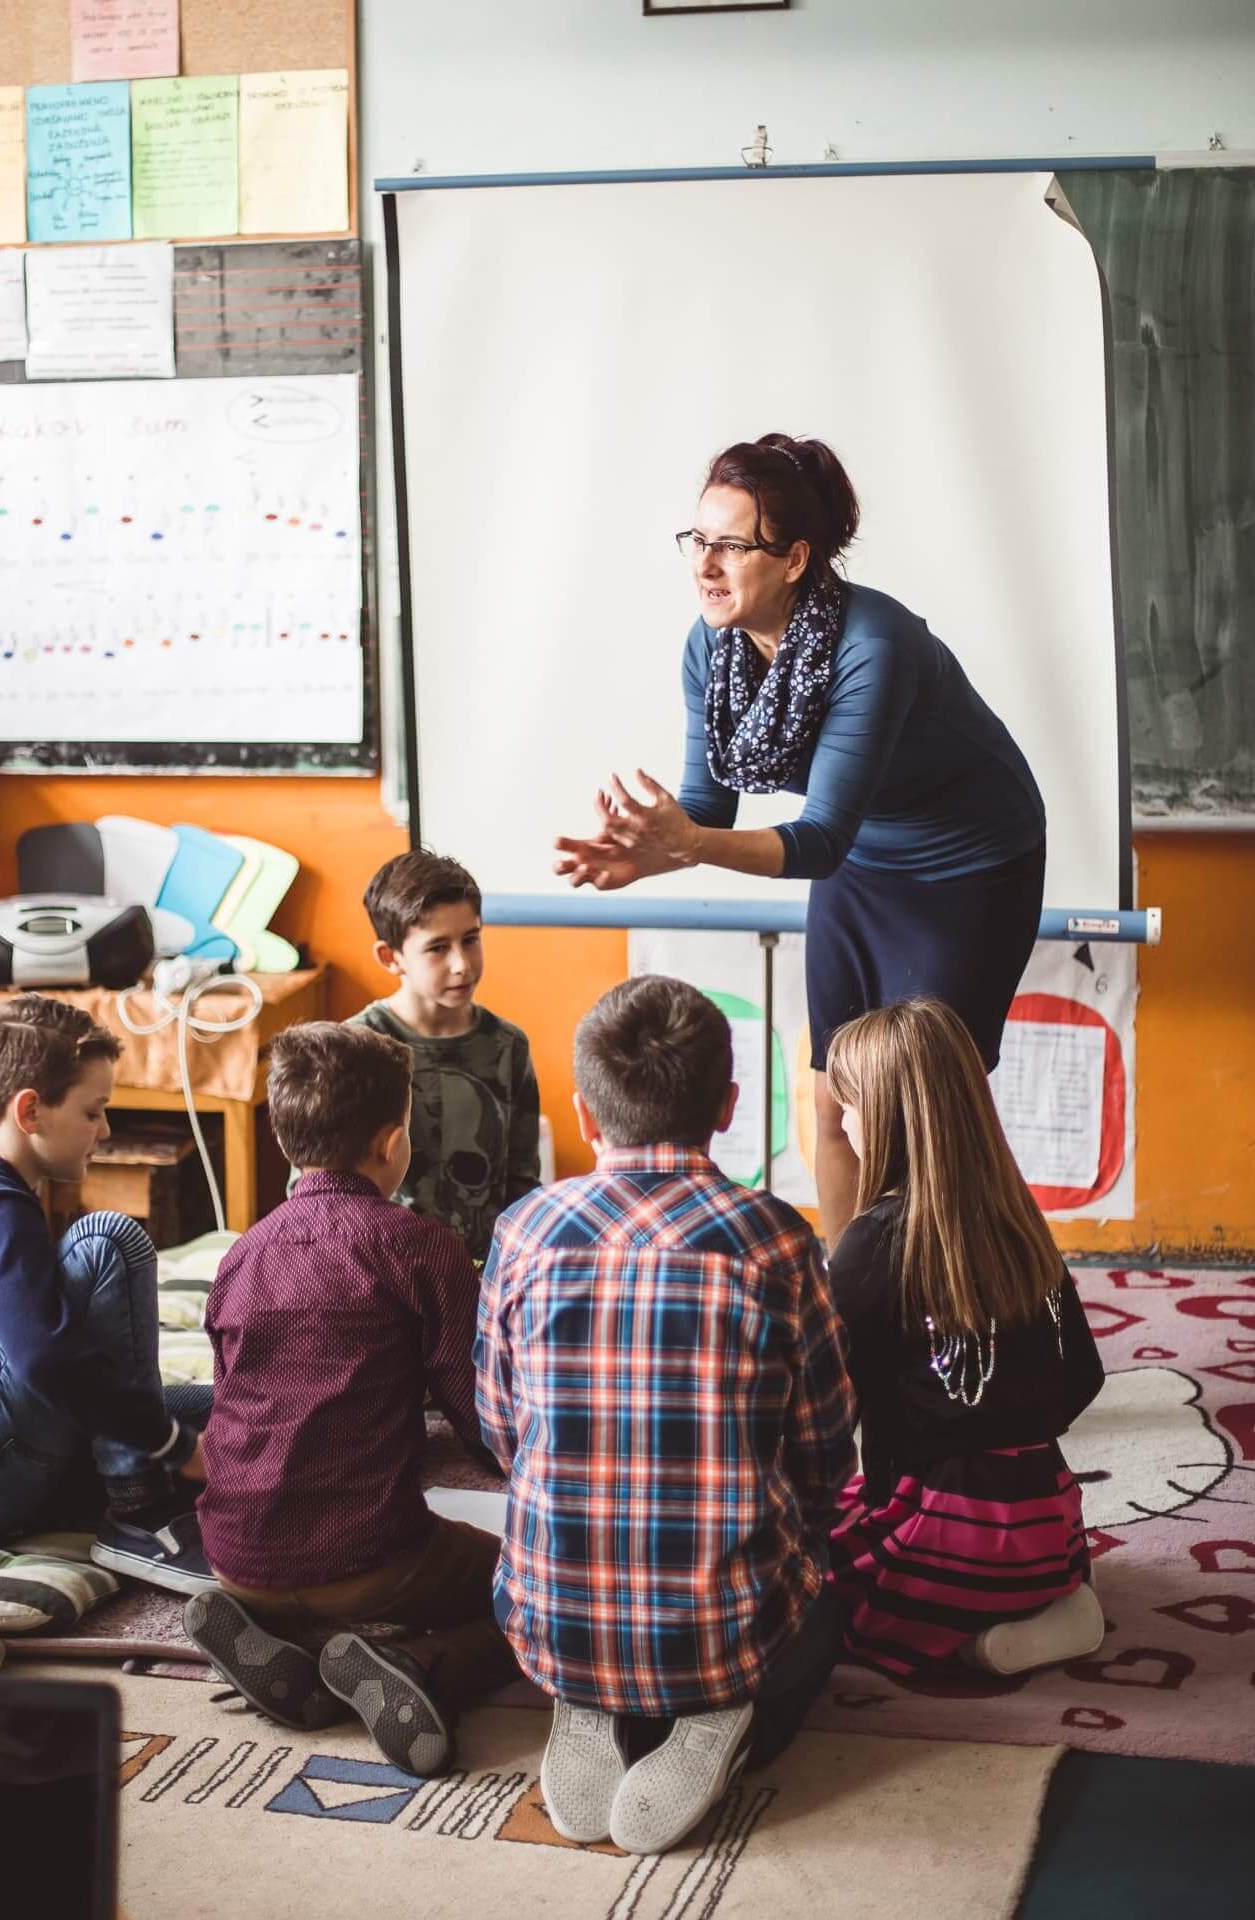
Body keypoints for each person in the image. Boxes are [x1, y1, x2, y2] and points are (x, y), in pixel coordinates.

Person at [552, 434, 1047, 1251]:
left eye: (731, 545)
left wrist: (688, 843)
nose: (705, 565)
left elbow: (817, 839)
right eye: (698, 540)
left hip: (969, 866)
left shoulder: (872, 646)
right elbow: (710, 804)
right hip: (863, 865)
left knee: (925, 1118)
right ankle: (849, 1306)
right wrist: (658, 848)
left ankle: (981, 1299)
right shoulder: (711, 646)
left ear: (793, 559)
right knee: (830, 1100)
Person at [476, 976, 856, 1856]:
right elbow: (826, 1453)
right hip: (727, 1629)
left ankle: (587, 1693)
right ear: (728, 1106)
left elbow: (499, 1429)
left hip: (550, 1619)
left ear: (581, 1111)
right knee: (836, 1597)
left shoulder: (524, 1231)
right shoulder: (776, 1240)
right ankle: (720, 1714)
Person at [188, 1021, 518, 1777]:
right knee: (527, 1588)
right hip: (370, 1558)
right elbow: (480, 1415)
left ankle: (295, 1658)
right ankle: (418, 1666)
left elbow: (233, 1400)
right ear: (393, 1142)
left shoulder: (241, 1255)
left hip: (237, 1555)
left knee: (309, 1582)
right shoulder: (419, 1246)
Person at [0, 994, 216, 1594]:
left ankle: (136, 1480)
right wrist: (168, 1445)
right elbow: (46, 1356)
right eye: (93, 1111)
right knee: (108, 1239)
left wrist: (171, 1429)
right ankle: (142, 1516)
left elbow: (68, 1350)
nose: (105, 1130)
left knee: (229, 1411)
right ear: (31, 1110)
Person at [823, 997, 1106, 1678]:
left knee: (809, 1584)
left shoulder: (870, 1244)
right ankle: (1049, 1616)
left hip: (939, 1532)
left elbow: (829, 1406)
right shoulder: (1022, 1224)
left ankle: (968, 1636)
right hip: (1045, 1524)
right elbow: (1083, 1379)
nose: (842, 1122)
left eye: (850, 1105)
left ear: (887, 1116)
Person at [342, 848, 542, 1261]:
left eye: (471, 939)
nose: (462, 965)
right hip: (386, 1277)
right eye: (437, 948)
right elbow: (317, 1191)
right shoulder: (355, 1046)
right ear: (390, 957)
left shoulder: (509, 1047)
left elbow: (523, 1184)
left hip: (485, 1282)